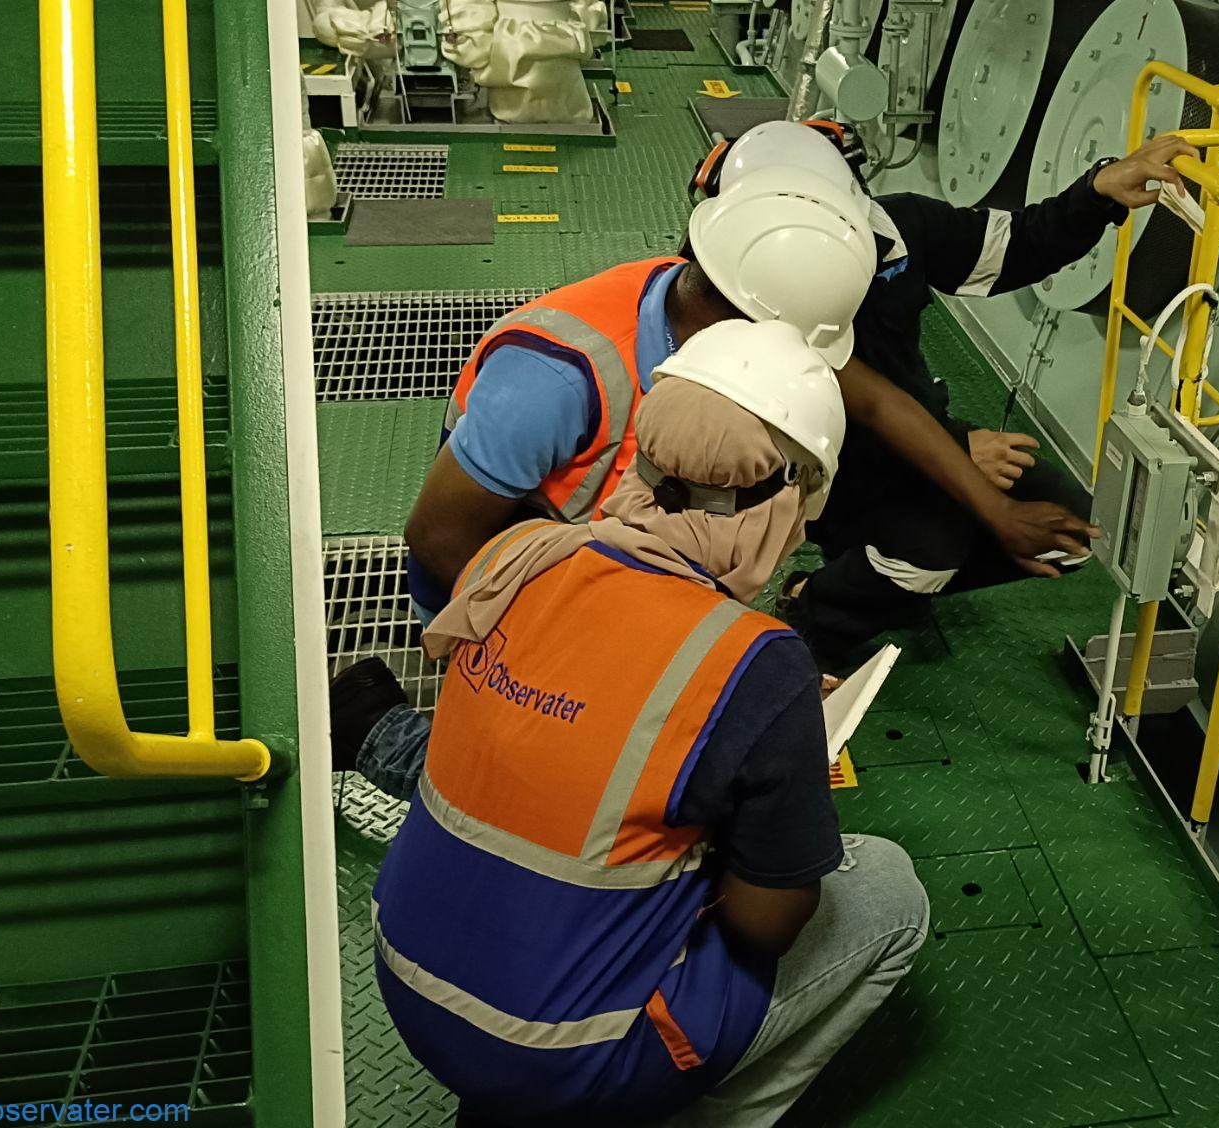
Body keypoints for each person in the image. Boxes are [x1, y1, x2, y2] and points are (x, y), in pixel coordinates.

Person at [330, 157, 1099, 766]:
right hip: (506, 584)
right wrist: (554, 660)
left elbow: (875, 403)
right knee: (553, 756)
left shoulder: (721, 315)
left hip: (618, 558)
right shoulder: (560, 378)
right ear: (754, 312)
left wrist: (993, 509)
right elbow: (439, 538)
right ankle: (385, 734)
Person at [369, 320, 929, 1127]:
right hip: (559, 1054)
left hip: (407, 976)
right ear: (791, 501)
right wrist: (781, 745)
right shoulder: (757, 662)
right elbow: (766, 924)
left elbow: (592, 713)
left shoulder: (518, 555)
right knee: (886, 889)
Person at [693, 119, 1202, 668]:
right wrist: (960, 451)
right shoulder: (734, 277)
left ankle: (883, 579)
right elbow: (840, 407)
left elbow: (1015, 246)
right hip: (814, 462)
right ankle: (817, 615)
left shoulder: (901, 226)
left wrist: (1096, 192)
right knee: (929, 549)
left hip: (916, 440)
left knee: (1071, 529)